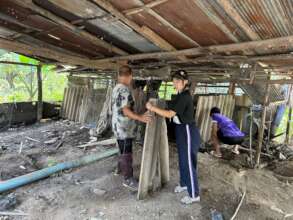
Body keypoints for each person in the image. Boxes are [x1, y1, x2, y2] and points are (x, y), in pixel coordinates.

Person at [146, 70, 201, 205]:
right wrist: (161, 101)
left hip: (188, 130)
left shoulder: (185, 96)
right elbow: (171, 103)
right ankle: (184, 184)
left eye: (178, 81)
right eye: (174, 81)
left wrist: (152, 108)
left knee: (188, 162)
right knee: (182, 159)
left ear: (185, 82)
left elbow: (170, 114)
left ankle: (194, 194)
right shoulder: (179, 94)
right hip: (181, 129)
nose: (175, 84)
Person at [112, 65, 151, 191]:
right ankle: (128, 179)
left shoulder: (116, 88)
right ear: (130, 76)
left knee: (121, 149)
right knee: (126, 152)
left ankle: (119, 169)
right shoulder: (124, 90)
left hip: (117, 125)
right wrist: (140, 117)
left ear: (119, 75)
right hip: (124, 127)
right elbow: (125, 110)